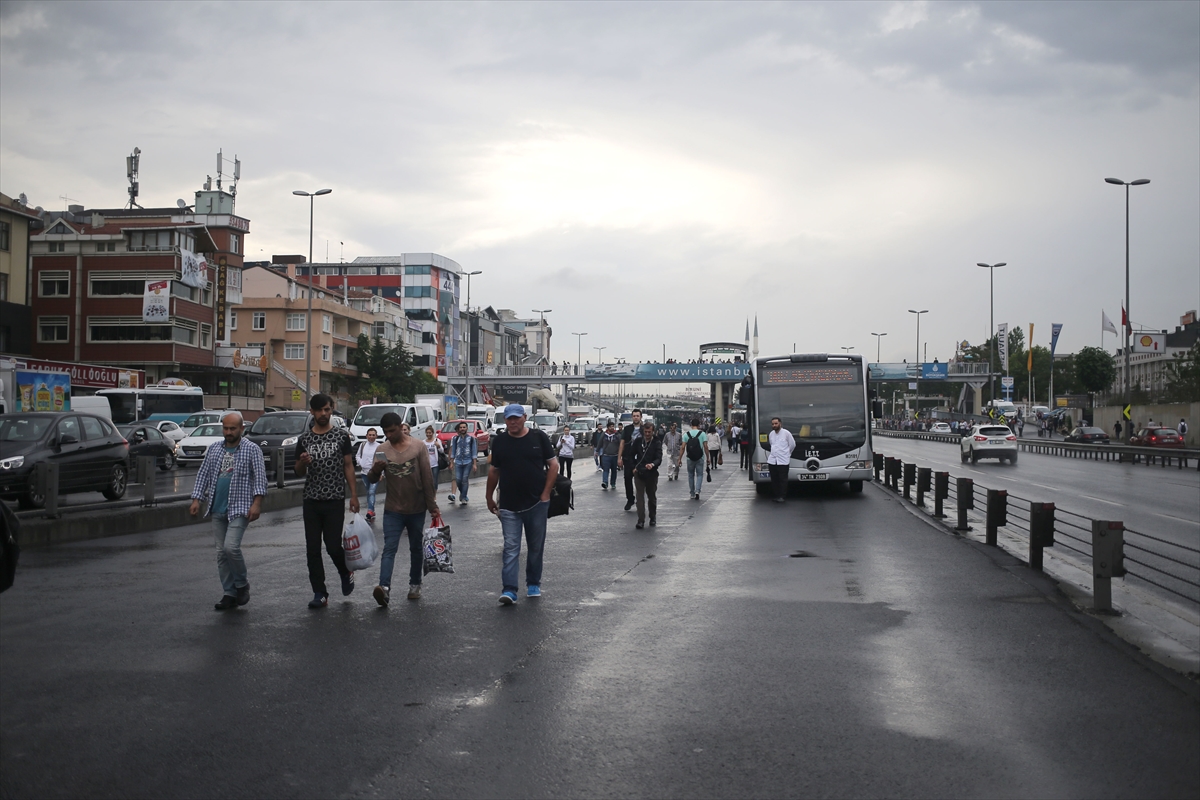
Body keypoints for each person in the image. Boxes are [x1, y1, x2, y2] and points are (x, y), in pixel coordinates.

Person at [189, 412, 267, 611]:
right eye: (225, 428)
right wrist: (197, 499)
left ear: (242, 429)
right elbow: (203, 475)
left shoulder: (252, 449)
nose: (228, 432)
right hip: (217, 507)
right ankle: (229, 594)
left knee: (230, 548)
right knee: (221, 553)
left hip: (240, 507)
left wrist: (257, 503)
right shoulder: (215, 449)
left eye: (233, 428)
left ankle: (241, 584)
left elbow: (260, 478)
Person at [486, 404, 559, 605]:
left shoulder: (538, 437)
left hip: (536, 503)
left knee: (535, 547)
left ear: (524, 418)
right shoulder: (500, 441)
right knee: (511, 548)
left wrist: (545, 494)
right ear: (505, 420)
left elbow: (553, 465)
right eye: (509, 418)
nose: (513, 422)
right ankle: (509, 590)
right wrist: (489, 497)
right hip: (508, 505)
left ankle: (533, 583)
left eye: (516, 418)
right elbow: (494, 470)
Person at [366, 416, 440, 606]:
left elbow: (427, 478)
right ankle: (384, 588)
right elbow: (372, 479)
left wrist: (432, 506)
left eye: (392, 431)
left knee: (416, 547)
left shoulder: (418, 447)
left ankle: (415, 584)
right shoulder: (382, 449)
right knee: (389, 548)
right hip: (393, 509)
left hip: (416, 508)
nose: (389, 435)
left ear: (401, 427)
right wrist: (376, 470)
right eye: (385, 432)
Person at [295, 393, 359, 609]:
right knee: (312, 549)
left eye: (327, 410)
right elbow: (297, 471)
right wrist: (302, 462)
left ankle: (345, 571)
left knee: (333, 546)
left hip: (334, 499)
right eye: (319, 410)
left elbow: (348, 465)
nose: (323, 414)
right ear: (312, 412)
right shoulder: (304, 439)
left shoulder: (341, 436)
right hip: (311, 500)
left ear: (331, 410)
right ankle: (319, 592)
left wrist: (354, 495)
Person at [629, 421, 662, 529]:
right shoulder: (638, 441)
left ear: (653, 432)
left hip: (651, 473)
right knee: (639, 497)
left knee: (651, 496)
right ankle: (641, 520)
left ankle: (652, 517)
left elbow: (659, 458)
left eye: (649, 432)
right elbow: (631, 455)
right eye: (646, 432)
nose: (647, 434)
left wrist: (652, 464)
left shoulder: (656, 442)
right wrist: (633, 467)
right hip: (639, 472)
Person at [617, 409, 644, 511]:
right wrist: (619, 458)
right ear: (632, 417)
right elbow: (622, 443)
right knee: (627, 479)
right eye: (634, 416)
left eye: (637, 416)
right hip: (628, 458)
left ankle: (640, 500)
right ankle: (630, 499)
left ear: (640, 417)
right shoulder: (627, 429)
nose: (636, 418)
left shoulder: (644, 429)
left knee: (641, 481)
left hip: (640, 459)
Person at [447, 420, 479, 505]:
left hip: (468, 462)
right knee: (458, 479)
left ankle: (463, 497)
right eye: (461, 427)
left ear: (467, 428)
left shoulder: (471, 439)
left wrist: (474, 464)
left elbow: (474, 452)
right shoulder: (456, 439)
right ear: (459, 429)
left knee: (464, 479)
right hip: (458, 462)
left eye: (464, 427)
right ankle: (463, 493)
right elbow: (453, 451)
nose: (462, 429)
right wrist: (451, 462)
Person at [766, 417, 796, 503]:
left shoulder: (786, 433)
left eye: (776, 423)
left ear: (780, 424)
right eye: (773, 424)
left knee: (783, 479)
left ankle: (782, 496)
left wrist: (787, 454)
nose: (774, 425)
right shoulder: (771, 434)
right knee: (774, 479)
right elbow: (771, 444)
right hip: (772, 460)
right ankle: (776, 495)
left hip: (783, 461)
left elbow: (792, 445)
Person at [355, 428, 381, 522]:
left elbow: (382, 460)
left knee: (371, 491)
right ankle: (372, 510)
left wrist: (381, 473)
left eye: (373, 435)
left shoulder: (379, 446)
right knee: (368, 492)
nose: (371, 437)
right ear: (366, 436)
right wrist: (361, 462)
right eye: (370, 435)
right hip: (364, 473)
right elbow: (357, 456)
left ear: (376, 436)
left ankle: (370, 510)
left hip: (375, 473)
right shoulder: (363, 445)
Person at [680, 419, 707, 500]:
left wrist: (679, 458)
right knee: (700, 474)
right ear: (699, 425)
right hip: (700, 457)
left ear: (691, 425)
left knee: (691, 475)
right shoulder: (702, 434)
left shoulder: (686, 434)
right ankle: (697, 491)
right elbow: (705, 447)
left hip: (690, 458)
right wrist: (708, 458)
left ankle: (692, 493)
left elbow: (683, 447)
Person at [599, 421, 621, 489]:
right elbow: (600, 442)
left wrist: (621, 455)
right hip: (606, 455)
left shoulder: (617, 435)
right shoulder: (604, 434)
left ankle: (613, 483)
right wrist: (597, 451)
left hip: (615, 456)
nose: (612, 428)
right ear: (608, 427)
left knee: (614, 470)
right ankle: (605, 482)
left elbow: (621, 444)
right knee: (606, 469)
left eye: (613, 426)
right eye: (610, 426)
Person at [422, 425, 445, 490]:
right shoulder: (423, 442)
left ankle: (434, 493)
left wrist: (438, 446)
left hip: (435, 464)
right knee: (427, 480)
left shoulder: (437, 440)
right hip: (427, 464)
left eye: (430, 433)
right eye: (427, 433)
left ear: (432, 433)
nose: (428, 434)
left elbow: (442, 451)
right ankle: (429, 492)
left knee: (435, 480)